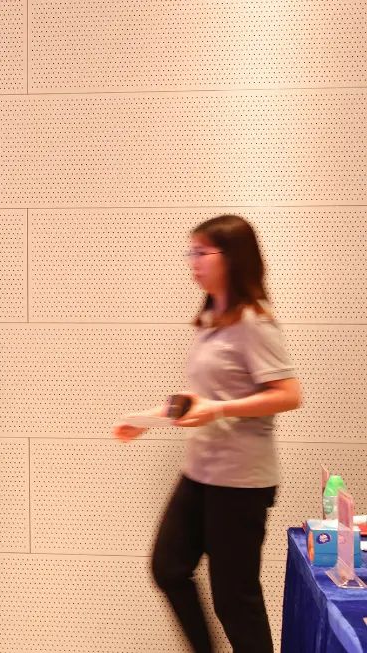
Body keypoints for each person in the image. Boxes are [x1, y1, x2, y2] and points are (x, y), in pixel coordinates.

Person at [114, 214, 301, 652]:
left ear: (232, 258)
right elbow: (201, 397)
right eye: (191, 252)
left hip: (240, 482)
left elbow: (289, 394)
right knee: (168, 568)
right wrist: (146, 419)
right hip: (202, 474)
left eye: (202, 252)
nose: (192, 262)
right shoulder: (212, 320)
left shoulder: (254, 322)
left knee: (235, 600)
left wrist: (219, 409)